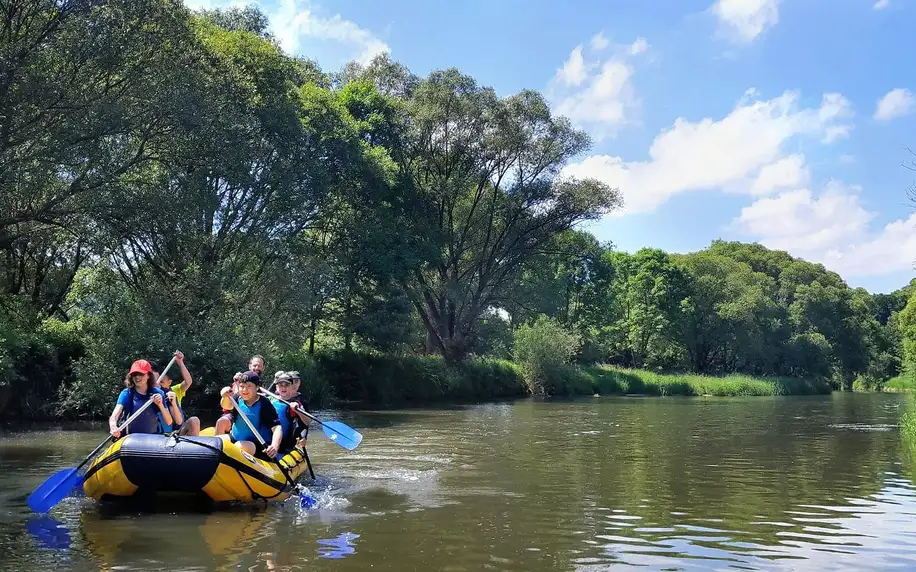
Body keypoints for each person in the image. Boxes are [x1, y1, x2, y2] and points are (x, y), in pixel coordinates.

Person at [215, 371, 283, 460]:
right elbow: (226, 406)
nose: (244, 390)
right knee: (216, 442)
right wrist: (225, 396)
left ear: (257, 387)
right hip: (235, 438)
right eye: (242, 387)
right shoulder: (237, 398)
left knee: (238, 446)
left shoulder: (264, 403)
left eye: (249, 386)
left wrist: (274, 446)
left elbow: (277, 427)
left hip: (257, 445)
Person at [108, 359, 172, 438]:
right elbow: (114, 416)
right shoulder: (126, 393)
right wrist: (113, 427)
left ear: (148, 375)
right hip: (129, 438)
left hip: (151, 438)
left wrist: (160, 405)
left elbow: (169, 422)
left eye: (141, 374)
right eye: (135, 374)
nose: (137, 377)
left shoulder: (158, 393)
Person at [156, 351, 200, 436]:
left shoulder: (175, 390)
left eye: (161, 382)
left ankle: (192, 448)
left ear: (169, 382)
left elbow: (188, 382)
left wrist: (180, 362)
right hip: (161, 433)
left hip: (178, 431)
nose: (158, 384)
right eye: (157, 381)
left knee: (194, 420)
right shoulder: (153, 393)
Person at [275, 370, 311, 451]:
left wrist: (298, 410)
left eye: (286, 385)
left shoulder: (297, 404)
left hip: (285, 446)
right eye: (281, 385)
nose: (283, 388)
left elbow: (307, 422)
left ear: (291, 387)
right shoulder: (269, 400)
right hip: (270, 443)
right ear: (277, 387)